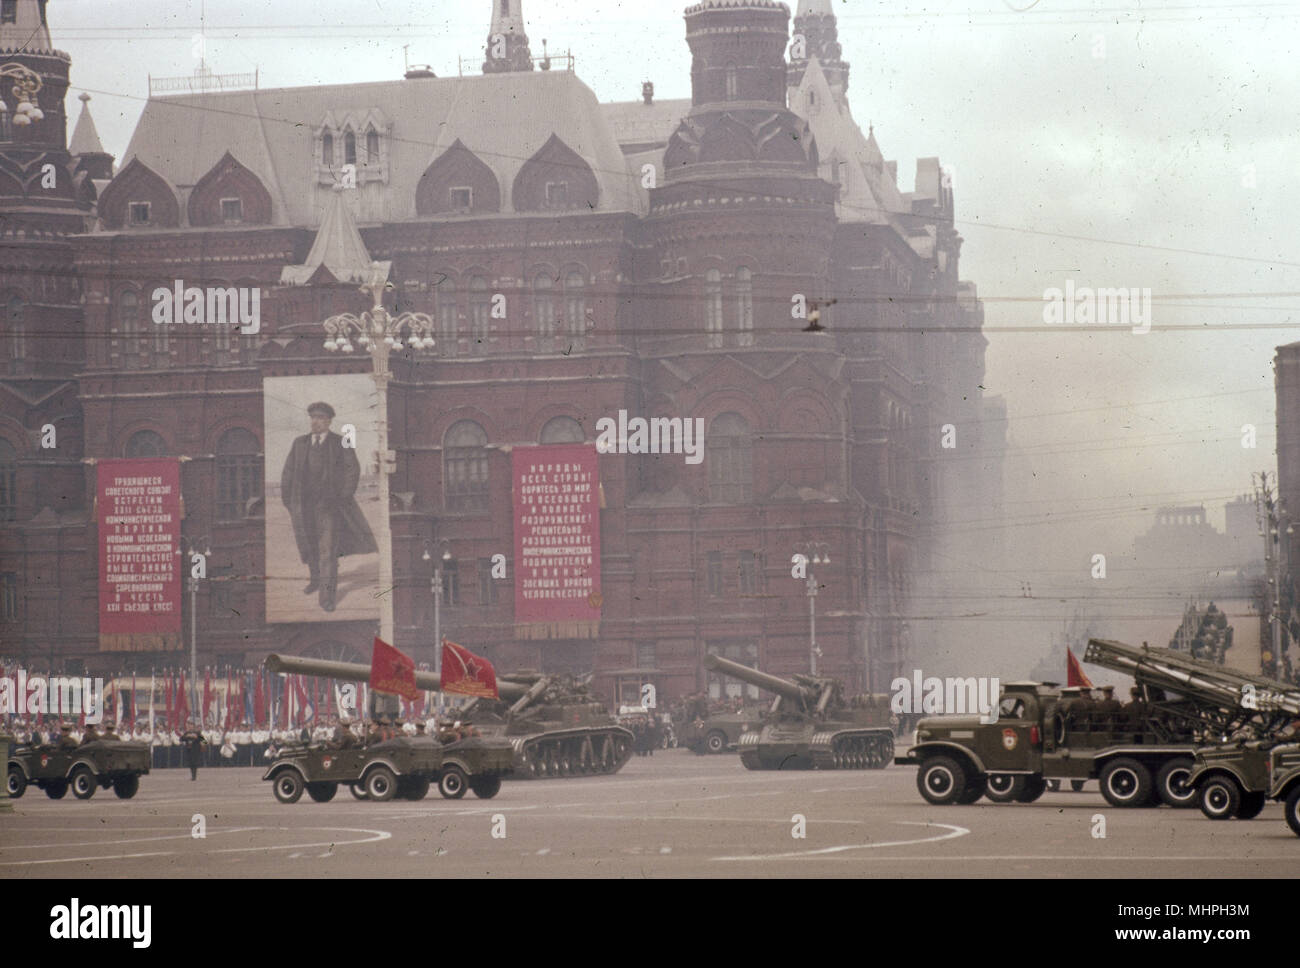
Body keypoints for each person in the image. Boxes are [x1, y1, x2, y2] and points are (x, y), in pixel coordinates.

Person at [279, 401, 378, 613]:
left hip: (330, 507)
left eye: (320, 418)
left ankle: (327, 598)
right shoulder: (300, 443)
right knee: (309, 545)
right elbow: (287, 473)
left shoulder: (341, 442)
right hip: (304, 507)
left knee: (328, 551)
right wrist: (289, 501)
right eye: (313, 418)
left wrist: (341, 498)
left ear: (329, 421)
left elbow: (353, 471)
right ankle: (315, 581)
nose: (315, 422)